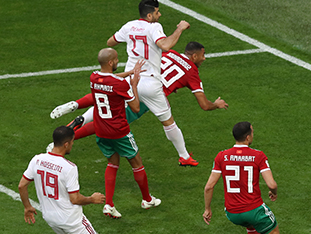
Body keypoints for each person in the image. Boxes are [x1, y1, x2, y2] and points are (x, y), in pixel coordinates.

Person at [52, 0, 197, 166]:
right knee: (168, 122)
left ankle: (78, 117)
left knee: (104, 103)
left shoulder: (129, 26)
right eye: (157, 12)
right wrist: (179, 29)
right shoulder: (154, 27)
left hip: (129, 79)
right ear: (149, 16)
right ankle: (184, 156)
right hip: (150, 83)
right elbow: (165, 45)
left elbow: (111, 42)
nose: (159, 15)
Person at [49, 42, 229, 154]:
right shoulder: (193, 72)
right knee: (107, 123)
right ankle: (61, 141)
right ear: (195, 55)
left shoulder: (169, 53)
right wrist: (217, 104)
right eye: (203, 55)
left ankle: (76, 115)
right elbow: (204, 105)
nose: (204, 59)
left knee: (102, 101)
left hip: (134, 80)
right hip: (145, 96)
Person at [202, 121, 282, 234]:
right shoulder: (258, 156)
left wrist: (207, 209)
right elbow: (272, 184)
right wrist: (273, 193)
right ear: (248, 137)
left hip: (232, 213)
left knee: (250, 227)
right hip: (254, 209)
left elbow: (209, 186)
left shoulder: (221, 156)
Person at [91, 48, 161, 219]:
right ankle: (147, 199)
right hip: (119, 131)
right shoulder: (120, 85)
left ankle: (109, 204)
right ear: (110, 62)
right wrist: (134, 84)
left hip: (101, 130)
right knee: (137, 162)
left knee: (112, 163)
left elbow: (109, 80)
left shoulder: (93, 78)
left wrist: (129, 73)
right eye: (116, 59)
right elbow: (136, 107)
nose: (117, 61)